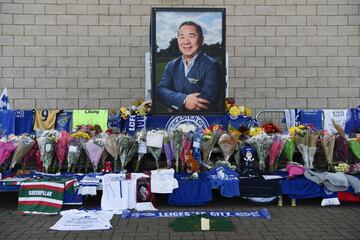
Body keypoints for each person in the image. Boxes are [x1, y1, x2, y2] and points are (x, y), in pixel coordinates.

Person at [156, 21, 222, 113]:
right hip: (175, 122)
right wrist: (183, 100)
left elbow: (207, 100)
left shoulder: (212, 65)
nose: (186, 42)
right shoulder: (171, 65)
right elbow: (160, 91)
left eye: (191, 36)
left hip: (205, 123)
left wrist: (174, 104)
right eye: (182, 37)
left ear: (202, 40)